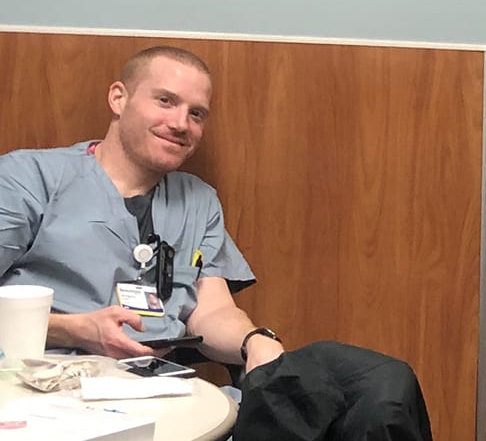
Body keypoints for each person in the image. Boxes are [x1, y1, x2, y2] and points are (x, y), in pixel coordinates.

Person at [0, 46, 285, 372]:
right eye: (165, 101)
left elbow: (212, 312)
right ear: (118, 99)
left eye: (197, 114)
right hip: (41, 385)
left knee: (336, 377)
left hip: (158, 391)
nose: (180, 123)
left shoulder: (198, 202)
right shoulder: (26, 178)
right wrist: (77, 330)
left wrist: (255, 341)